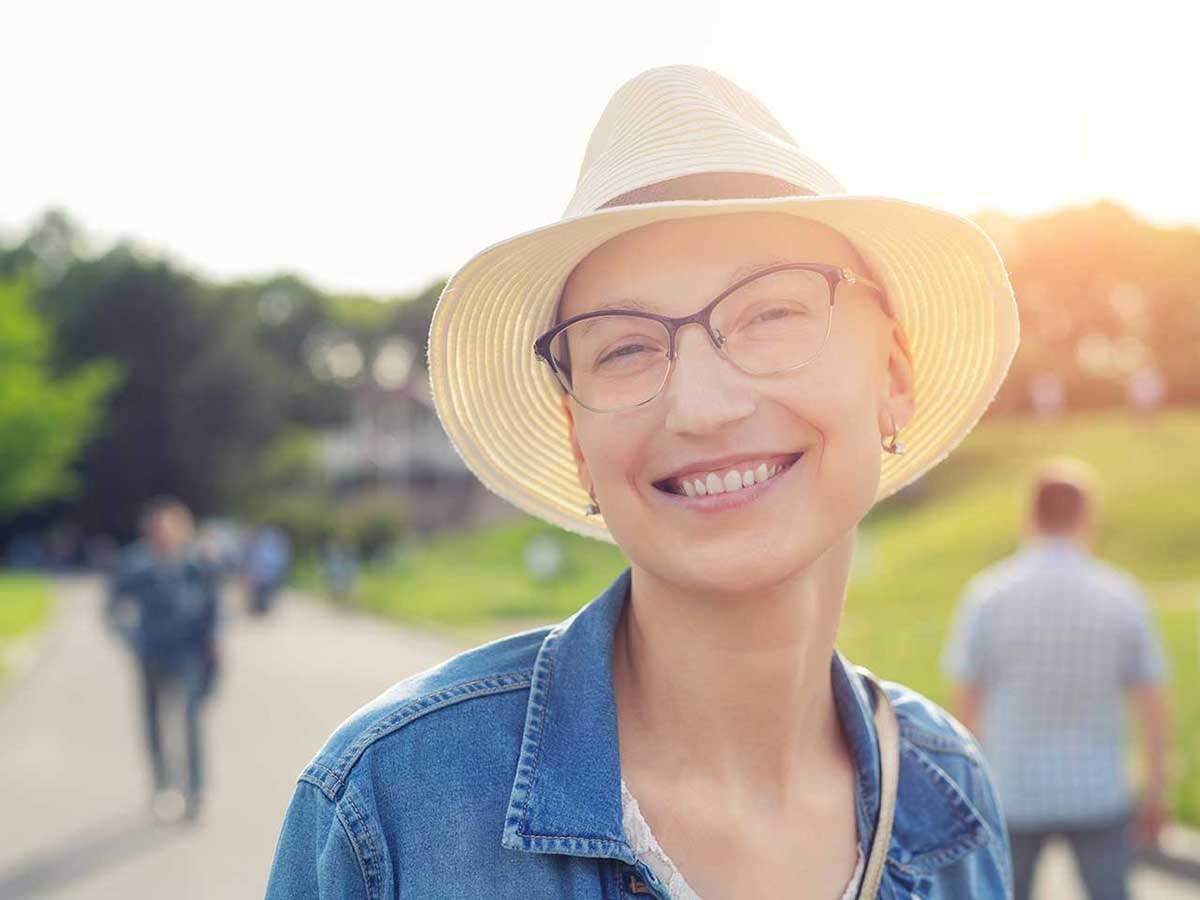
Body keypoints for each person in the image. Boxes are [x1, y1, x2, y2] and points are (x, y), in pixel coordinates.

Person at [266, 65, 1020, 899]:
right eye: (624, 348)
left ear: (894, 374)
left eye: (772, 314)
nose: (702, 407)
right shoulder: (388, 812)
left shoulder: (951, 798)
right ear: (577, 441)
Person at [943, 457, 1171, 900]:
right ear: (1088, 516)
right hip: (1099, 791)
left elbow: (964, 708)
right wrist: (1156, 789)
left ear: (1029, 515)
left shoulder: (987, 596)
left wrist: (964, 794)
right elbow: (1153, 704)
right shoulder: (1122, 597)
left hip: (1013, 790)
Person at [106, 496, 221, 823]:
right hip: (151, 653)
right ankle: (162, 786)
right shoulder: (135, 565)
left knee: (190, 723)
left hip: (188, 655)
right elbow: (112, 608)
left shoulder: (197, 565)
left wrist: (213, 645)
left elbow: (213, 609)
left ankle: (194, 790)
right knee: (154, 723)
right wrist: (130, 638)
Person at [243, 523, 292, 616]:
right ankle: (259, 608)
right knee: (261, 591)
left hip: (266, 571)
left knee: (263, 591)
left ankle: (260, 608)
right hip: (265, 571)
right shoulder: (276, 543)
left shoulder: (265, 542)